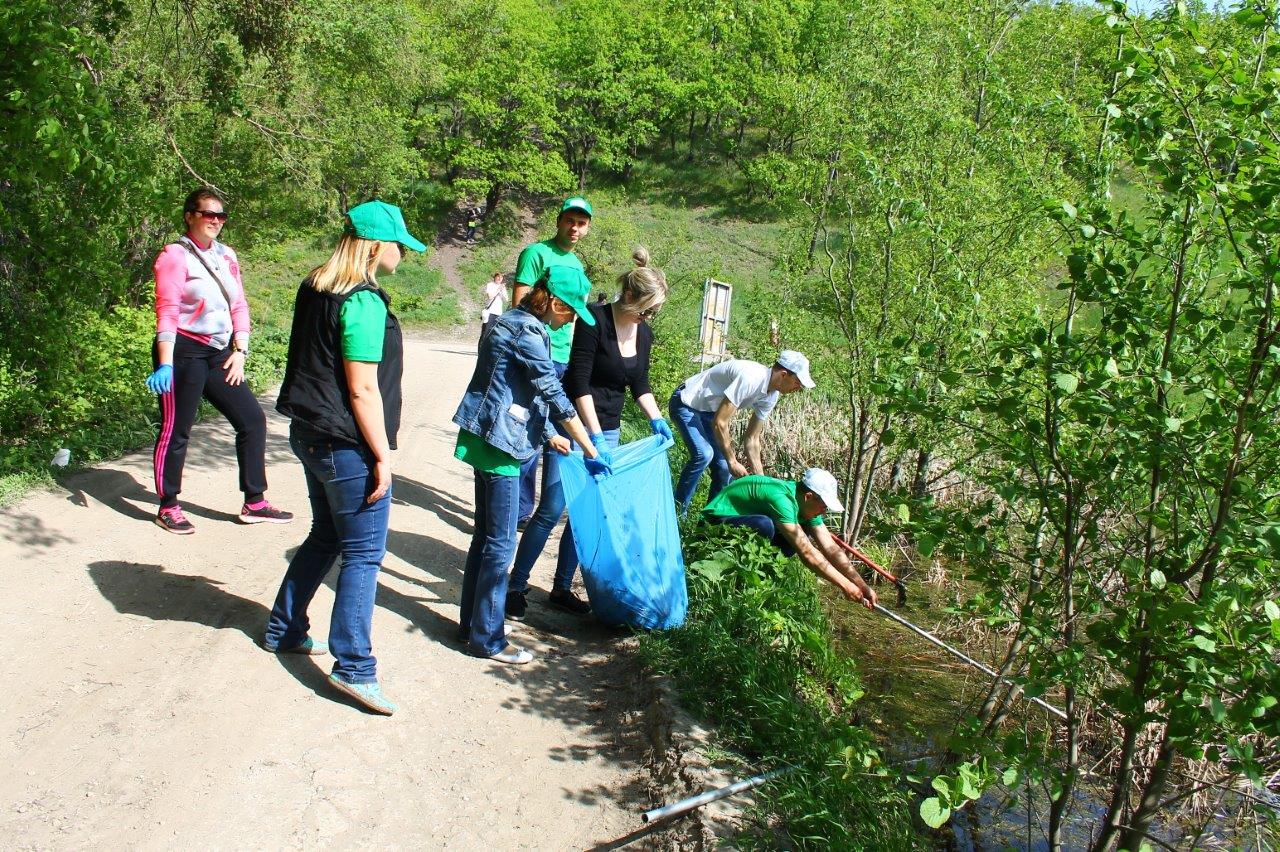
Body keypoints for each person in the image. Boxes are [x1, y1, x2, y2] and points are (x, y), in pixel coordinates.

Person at [264, 200, 424, 716]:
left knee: (327, 535)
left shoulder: (316, 285)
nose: (404, 254)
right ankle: (354, 666)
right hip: (344, 444)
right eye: (400, 244)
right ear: (376, 245)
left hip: (308, 433)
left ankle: (284, 628)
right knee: (363, 554)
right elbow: (362, 391)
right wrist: (382, 456)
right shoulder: (363, 300)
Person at [453, 265, 611, 664]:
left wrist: (548, 436)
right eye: (570, 312)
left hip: (485, 436)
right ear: (555, 301)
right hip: (501, 446)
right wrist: (589, 446)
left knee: (485, 538)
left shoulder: (511, 322)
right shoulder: (529, 332)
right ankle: (488, 639)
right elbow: (551, 392)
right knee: (501, 542)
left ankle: (470, 625)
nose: (570, 321)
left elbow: (513, 390)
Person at [506, 246, 672, 619]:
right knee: (551, 508)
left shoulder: (642, 333)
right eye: (646, 309)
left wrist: (657, 419)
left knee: (586, 512)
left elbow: (640, 383)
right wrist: (591, 439)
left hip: (608, 430)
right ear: (629, 296)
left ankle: (561, 587)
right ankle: (516, 585)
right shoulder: (593, 320)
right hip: (574, 426)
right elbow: (578, 383)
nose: (648, 317)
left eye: (653, 313)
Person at [145, 187, 292, 534]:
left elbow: (239, 304)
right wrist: (165, 362)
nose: (215, 220)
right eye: (208, 214)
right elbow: (166, 311)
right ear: (189, 216)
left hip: (219, 352)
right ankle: (168, 505)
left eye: (221, 215)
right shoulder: (174, 256)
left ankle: (254, 502)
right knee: (176, 429)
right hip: (182, 351)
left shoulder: (227, 255)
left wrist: (240, 350)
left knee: (252, 420)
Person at [511, 196, 594, 527]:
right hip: (538, 351)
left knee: (554, 431)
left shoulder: (577, 267)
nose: (575, 228)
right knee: (530, 428)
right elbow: (520, 303)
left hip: (563, 356)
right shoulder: (536, 253)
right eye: (570, 221)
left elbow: (577, 317)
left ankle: (545, 508)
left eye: (582, 223)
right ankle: (516, 512)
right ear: (559, 221)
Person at [702, 468, 878, 609]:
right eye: (823, 506)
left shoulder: (806, 504)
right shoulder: (782, 499)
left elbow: (830, 548)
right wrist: (845, 586)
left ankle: (759, 579)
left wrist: (861, 585)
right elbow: (807, 553)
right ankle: (739, 580)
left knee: (792, 538)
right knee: (766, 526)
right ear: (809, 496)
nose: (824, 512)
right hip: (714, 524)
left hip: (743, 522)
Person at [668, 351, 814, 513]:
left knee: (723, 468)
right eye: (797, 382)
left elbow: (752, 439)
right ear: (783, 374)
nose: (798, 388)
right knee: (704, 454)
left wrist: (761, 481)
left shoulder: (771, 396)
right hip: (686, 402)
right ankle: (677, 514)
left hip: (709, 412)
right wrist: (733, 461)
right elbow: (720, 422)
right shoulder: (751, 377)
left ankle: (710, 522)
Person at [479, 271, 505, 340]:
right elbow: (490, 296)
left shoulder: (502, 287)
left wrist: (502, 291)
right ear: (495, 277)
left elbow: (506, 299)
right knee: (485, 331)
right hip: (490, 312)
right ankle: (481, 348)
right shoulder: (490, 285)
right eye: (498, 276)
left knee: (494, 333)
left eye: (501, 277)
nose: (500, 278)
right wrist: (498, 290)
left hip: (499, 312)